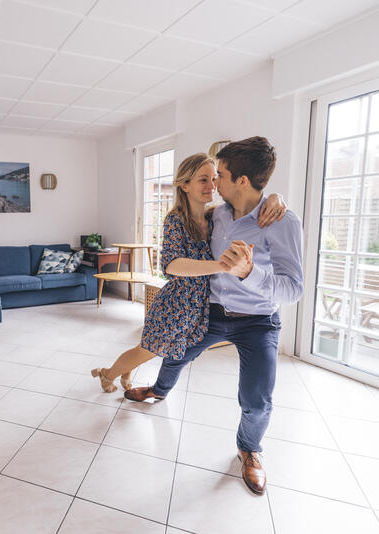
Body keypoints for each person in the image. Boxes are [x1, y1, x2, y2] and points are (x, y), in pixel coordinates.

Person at [125, 137, 304, 497]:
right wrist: (273, 195)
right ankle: (159, 390)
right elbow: (183, 230)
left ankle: (249, 450)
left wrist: (248, 272)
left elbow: (293, 289)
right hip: (213, 312)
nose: (214, 181)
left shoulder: (282, 222)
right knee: (176, 354)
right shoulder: (218, 213)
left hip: (258, 321)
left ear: (241, 180)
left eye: (219, 174)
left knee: (257, 399)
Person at [90, 152, 285, 394]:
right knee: (149, 349)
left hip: (199, 307)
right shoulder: (175, 220)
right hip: (176, 304)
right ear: (185, 185)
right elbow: (172, 265)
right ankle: (107, 374)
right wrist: (223, 266)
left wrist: (275, 197)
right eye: (203, 179)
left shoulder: (215, 216)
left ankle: (127, 370)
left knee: (153, 348)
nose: (212, 185)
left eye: (214, 179)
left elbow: (254, 202)